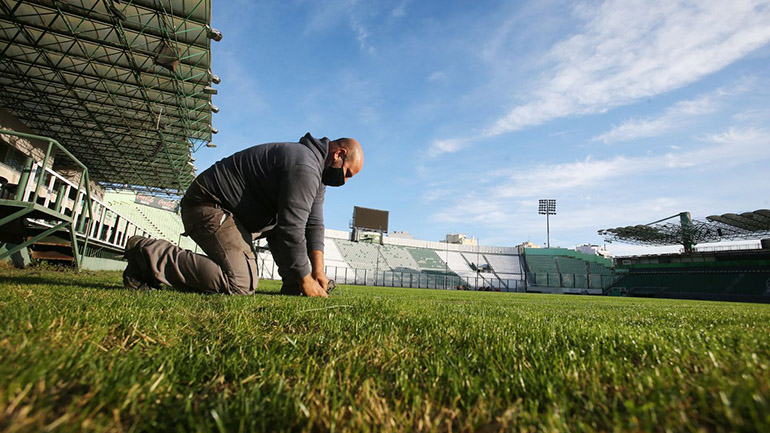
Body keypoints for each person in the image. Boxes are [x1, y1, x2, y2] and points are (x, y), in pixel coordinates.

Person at [122, 133, 363, 297]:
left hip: (235, 215)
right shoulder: (304, 165)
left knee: (284, 223)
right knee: (240, 284)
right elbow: (293, 227)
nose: (345, 180)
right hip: (208, 206)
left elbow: (314, 224)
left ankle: (294, 283)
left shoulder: (316, 173)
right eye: (348, 174)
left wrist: (317, 273)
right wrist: (305, 277)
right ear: (338, 154)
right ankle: (147, 254)